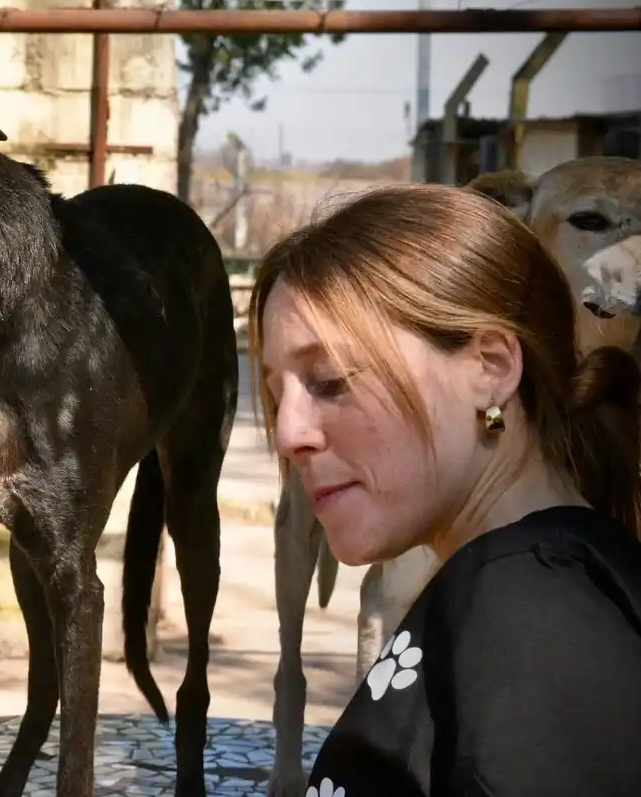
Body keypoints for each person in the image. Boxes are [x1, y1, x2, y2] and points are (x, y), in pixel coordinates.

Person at [249, 184, 641, 796]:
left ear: (491, 367)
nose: (288, 434)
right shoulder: (532, 582)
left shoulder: (524, 613)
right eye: (278, 394)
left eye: (329, 379)